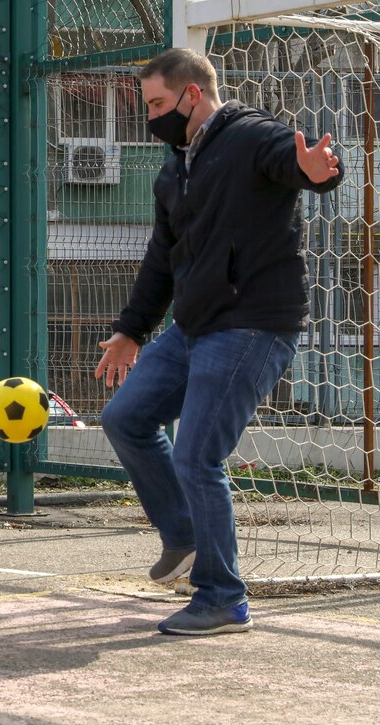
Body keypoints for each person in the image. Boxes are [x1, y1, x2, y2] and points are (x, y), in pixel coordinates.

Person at [94, 48, 343, 635]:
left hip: (254, 325)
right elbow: (162, 259)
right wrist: (131, 330)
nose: (150, 116)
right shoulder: (174, 167)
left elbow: (297, 161)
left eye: (157, 103)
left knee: (197, 455)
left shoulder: (251, 135)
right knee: (125, 417)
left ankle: (223, 598)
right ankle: (183, 533)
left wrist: (317, 170)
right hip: (194, 327)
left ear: (192, 95)